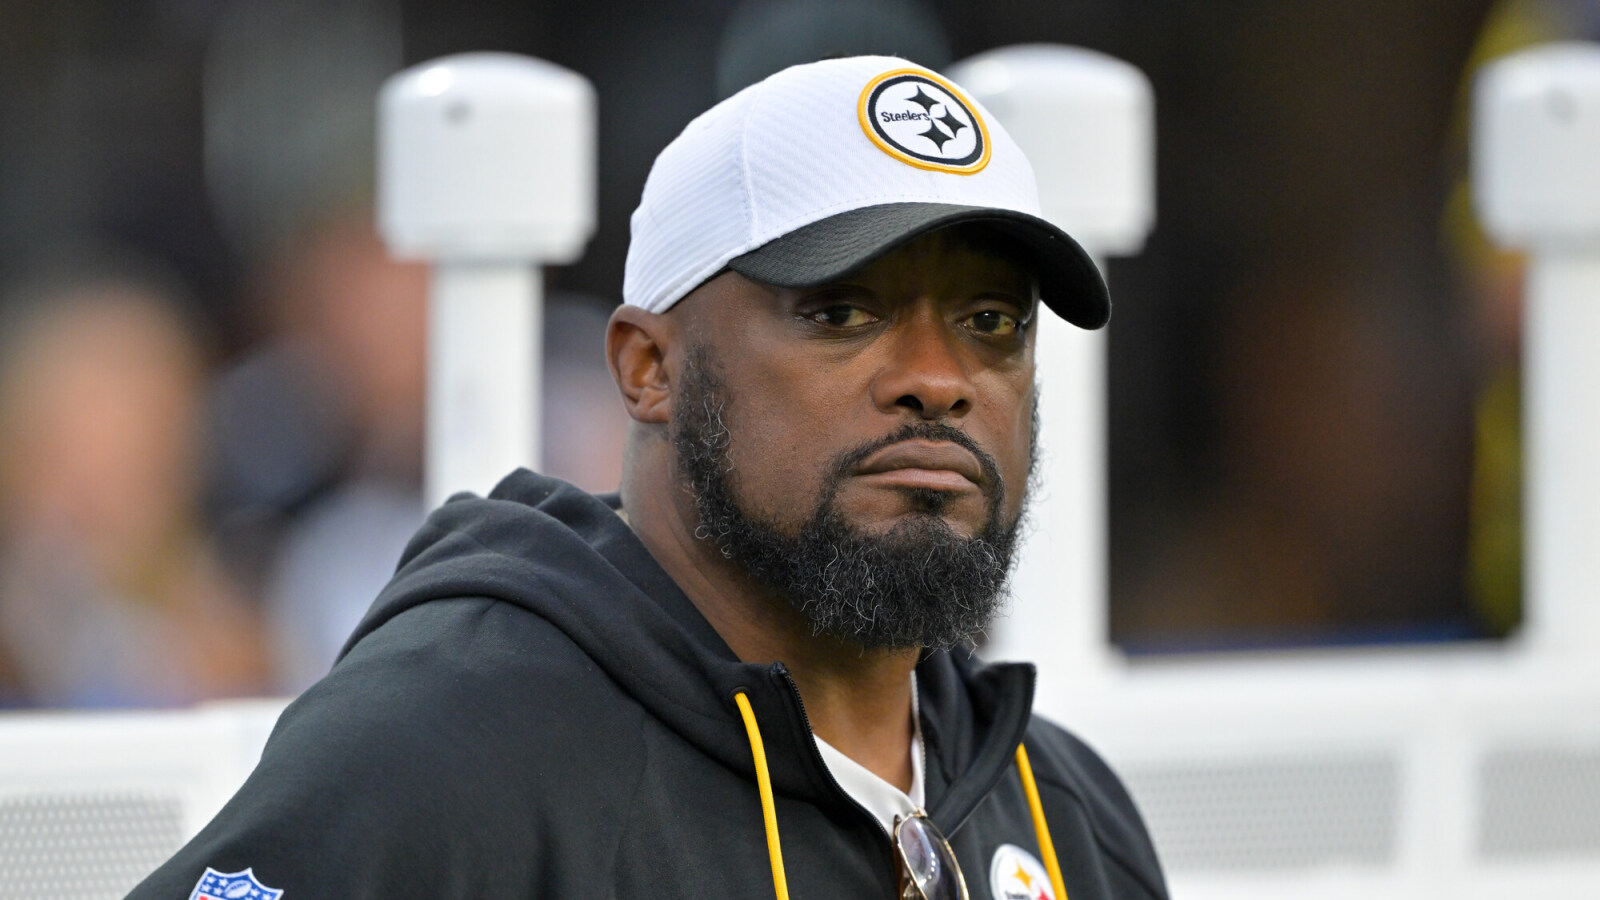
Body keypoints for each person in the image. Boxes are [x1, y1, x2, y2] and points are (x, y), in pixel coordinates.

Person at [127, 56, 1166, 900]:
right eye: (844, 311)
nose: (937, 379)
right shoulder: (445, 750)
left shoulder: (1064, 810)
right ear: (648, 368)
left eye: (992, 321)